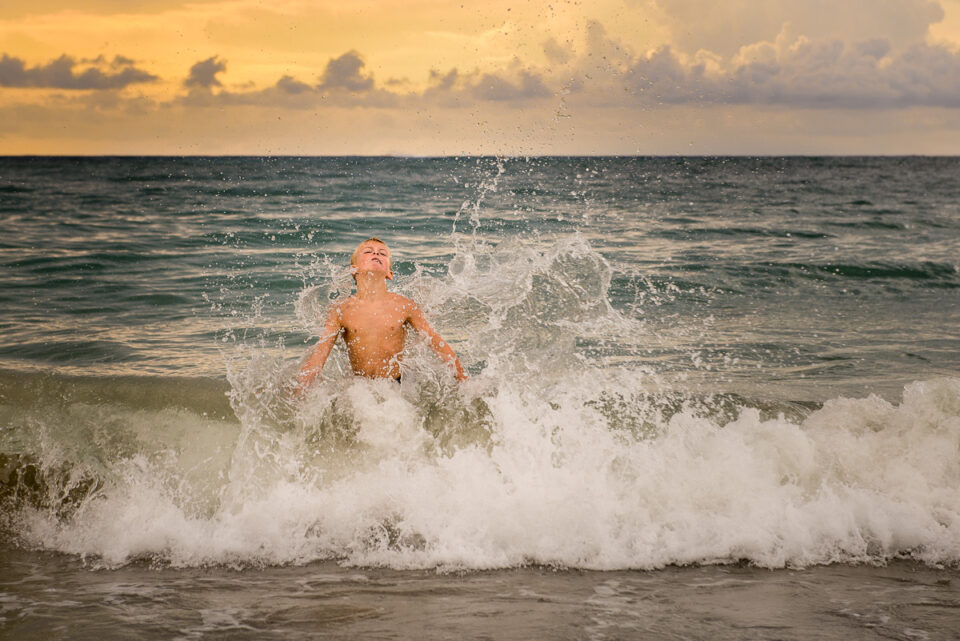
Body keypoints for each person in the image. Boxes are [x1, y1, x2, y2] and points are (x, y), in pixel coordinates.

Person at [297, 237, 468, 392]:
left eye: (382, 253)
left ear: (389, 274)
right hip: (359, 388)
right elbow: (320, 354)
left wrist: (462, 378)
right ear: (353, 269)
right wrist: (301, 388)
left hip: (395, 385)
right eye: (368, 251)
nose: (376, 253)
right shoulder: (342, 309)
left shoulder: (404, 305)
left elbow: (436, 342)